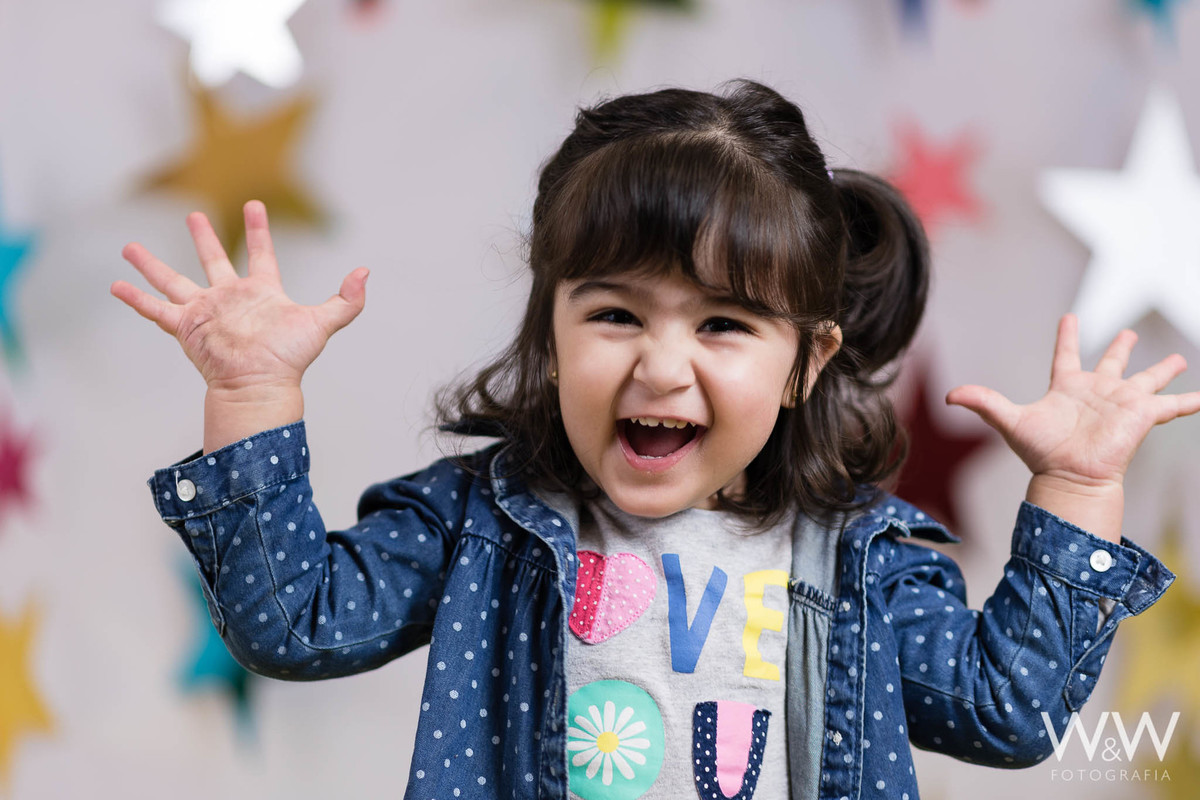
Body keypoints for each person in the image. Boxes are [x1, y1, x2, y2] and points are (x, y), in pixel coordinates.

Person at [111, 80, 1196, 800]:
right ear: (553, 326)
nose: (661, 365)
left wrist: (1075, 480)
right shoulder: (479, 521)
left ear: (808, 360)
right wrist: (253, 392)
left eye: (723, 323)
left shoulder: (861, 560)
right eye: (615, 313)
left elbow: (1009, 711)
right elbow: (292, 622)